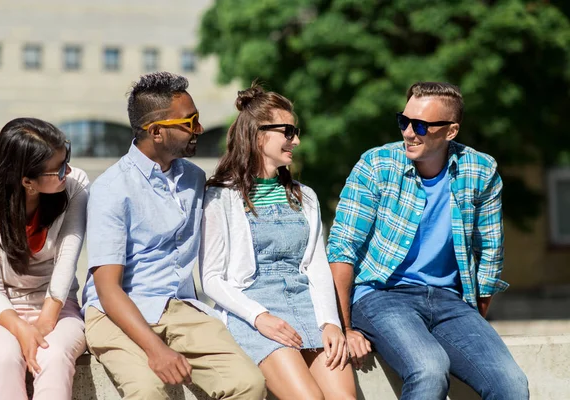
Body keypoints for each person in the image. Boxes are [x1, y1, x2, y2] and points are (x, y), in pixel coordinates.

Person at [327, 81, 529, 399]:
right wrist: (345, 327)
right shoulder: (377, 165)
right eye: (403, 121)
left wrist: (474, 313)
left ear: (451, 131)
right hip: (381, 295)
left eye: (420, 125)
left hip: (450, 301)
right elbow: (342, 247)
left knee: (511, 385)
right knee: (430, 369)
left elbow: (490, 249)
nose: (408, 132)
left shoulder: (480, 170)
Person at [81, 72, 265, 400]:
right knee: (149, 392)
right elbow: (108, 290)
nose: (200, 130)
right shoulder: (111, 189)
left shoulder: (194, 178)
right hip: (118, 311)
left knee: (248, 383)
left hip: (180, 308)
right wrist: (157, 350)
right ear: (156, 132)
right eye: (190, 122)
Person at [200, 84, 357, 400]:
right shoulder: (220, 197)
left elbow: (316, 267)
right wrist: (260, 317)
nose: (296, 140)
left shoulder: (306, 196)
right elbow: (211, 279)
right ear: (259, 136)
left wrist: (330, 323)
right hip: (254, 313)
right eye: (288, 131)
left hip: (307, 306)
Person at [0, 117, 88, 400]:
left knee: (55, 356)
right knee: (4, 357)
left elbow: (66, 262)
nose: (68, 170)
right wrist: (21, 329)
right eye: (58, 169)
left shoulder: (75, 186)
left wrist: (45, 323)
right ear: (27, 182)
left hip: (59, 306)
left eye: (66, 159)